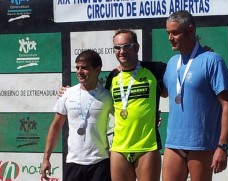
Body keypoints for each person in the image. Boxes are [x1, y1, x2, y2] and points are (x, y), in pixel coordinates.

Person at [162, 10, 228, 181]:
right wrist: (126, 68)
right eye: (168, 33)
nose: (170, 38)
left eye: (175, 32)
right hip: (173, 143)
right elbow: (163, 92)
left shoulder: (213, 60)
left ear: (190, 29)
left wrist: (223, 146)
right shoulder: (172, 63)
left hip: (201, 144)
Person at [41, 50, 113, 181]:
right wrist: (46, 158)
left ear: (97, 70)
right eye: (77, 67)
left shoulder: (108, 96)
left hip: (100, 163)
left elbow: (125, 119)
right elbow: (56, 126)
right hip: (73, 163)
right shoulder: (67, 94)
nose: (79, 72)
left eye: (85, 68)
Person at [105, 29, 166, 181]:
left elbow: (179, 83)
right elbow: (93, 96)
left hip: (147, 147)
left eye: (127, 46)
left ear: (137, 47)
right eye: (117, 48)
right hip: (119, 147)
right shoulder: (112, 77)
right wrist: (66, 91)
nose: (122, 51)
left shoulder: (155, 70)